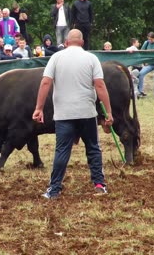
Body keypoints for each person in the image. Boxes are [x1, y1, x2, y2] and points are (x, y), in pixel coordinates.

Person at [32, 29, 112, 199]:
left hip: (63, 114)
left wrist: (38, 108)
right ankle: (99, 185)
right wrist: (108, 113)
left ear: (66, 43)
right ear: (82, 43)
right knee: (93, 148)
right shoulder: (91, 58)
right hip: (87, 113)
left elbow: (45, 82)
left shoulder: (56, 57)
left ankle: (54, 189)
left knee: (62, 151)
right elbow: (100, 86)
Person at [137, 32, 154, 98]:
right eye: (149, 39)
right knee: (141, 74)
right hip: (149, 64)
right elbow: (141, 52)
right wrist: (145, 61)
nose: (150, 40)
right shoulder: (146, 43)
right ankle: (140, 91)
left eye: (151, 39)